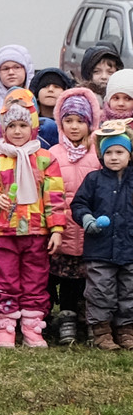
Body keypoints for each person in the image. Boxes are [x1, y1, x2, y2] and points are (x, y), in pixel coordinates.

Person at [0, 91, 68, 347]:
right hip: (4, 231)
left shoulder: (46, 159)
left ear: (33, 127)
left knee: (35, 280)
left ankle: (32, 326)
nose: (17, 131)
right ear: (4, 129)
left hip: (37, 232)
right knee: (6, 279)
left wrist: (57, 229)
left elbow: (54, 196)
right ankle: (5, 325)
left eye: (22, 125)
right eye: (12, 126)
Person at [45, 86, 102, 343]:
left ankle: (88, 318)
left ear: (91, 123)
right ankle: (65, 317)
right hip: (63, 228)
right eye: (69, 121)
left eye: (81, 121)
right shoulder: (53, 154)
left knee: (90, 279)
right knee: (64, 278)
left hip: (91, 229)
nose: (75, 127)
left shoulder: (98, 154)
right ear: (61, 123)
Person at [72, 124, 133, 348]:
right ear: (101, 155)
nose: (114, 157)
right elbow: (79, 204)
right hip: (100, 249)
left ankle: (126, 330)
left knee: (129, 291)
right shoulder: (93, 180)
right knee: (100, 290)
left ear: (129, 154)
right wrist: (87, 218)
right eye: (109, 152)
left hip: (129, 248)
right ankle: (101, 331)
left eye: (120, 152)